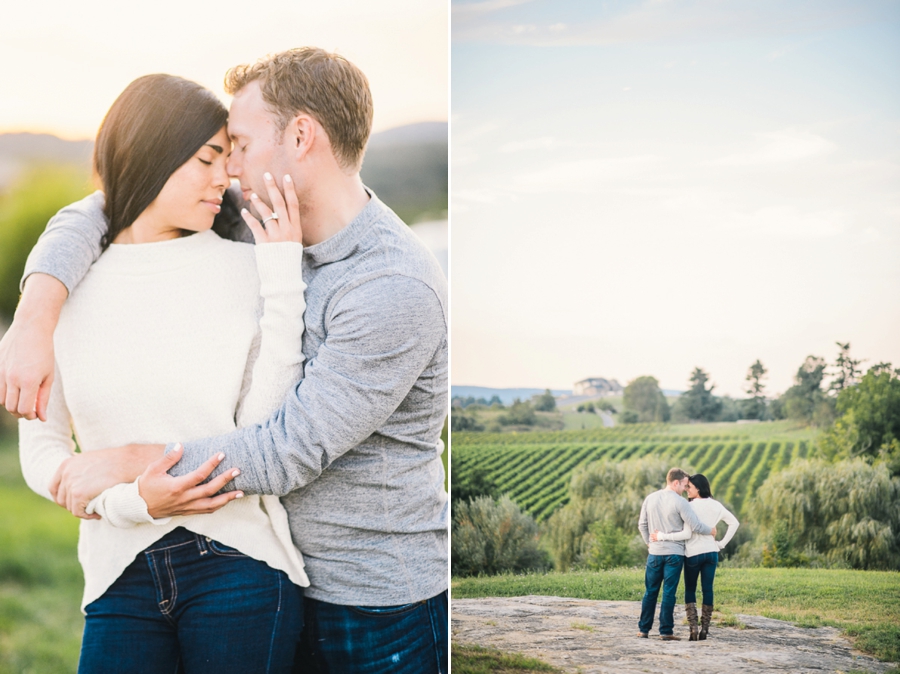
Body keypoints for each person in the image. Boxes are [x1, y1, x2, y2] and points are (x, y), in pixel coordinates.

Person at [1, 48, 448, 674]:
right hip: (278, 570)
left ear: (301, 136)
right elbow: (112, 205)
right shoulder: (247, 220)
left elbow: (285, 449)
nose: (228, 167)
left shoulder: (391, 286)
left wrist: (131, 464)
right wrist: (37, 311)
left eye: (235, 143)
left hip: (372, 600)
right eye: (216, 153)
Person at [18, 73, 309, 672]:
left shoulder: (248, 267)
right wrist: (133, 503)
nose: (224, 177)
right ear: (153, 156)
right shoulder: (62, 289)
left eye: (227, 160)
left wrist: (282, 276)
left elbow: (266, 425)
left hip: (240, 564)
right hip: (116, 575)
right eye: (207, 159)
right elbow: (43, 454)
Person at [651, 473, 739, 641]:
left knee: (690, 589)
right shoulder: (716, 505)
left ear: (698, 488)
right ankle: (705, 630)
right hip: (711, 553)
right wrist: (721, 544)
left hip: (693, 554)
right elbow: (734, 523)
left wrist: (662, 536)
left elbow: (686, 533)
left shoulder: (689, 506)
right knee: (708, 589)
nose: (686, 490)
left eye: (689, 487)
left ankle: (693, 630)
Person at [637, 467, 714, 640]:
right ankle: (666, 632)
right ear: (675, 482)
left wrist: (649, 544)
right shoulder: (680, 502)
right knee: (668, 592)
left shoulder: (650, 498)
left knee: (650, 592)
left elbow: (642, 525)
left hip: (655, 553)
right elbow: (695, 526)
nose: (686, 489)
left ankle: (643, 630)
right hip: (674, 555)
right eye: (685, 485)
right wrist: (712, 531)